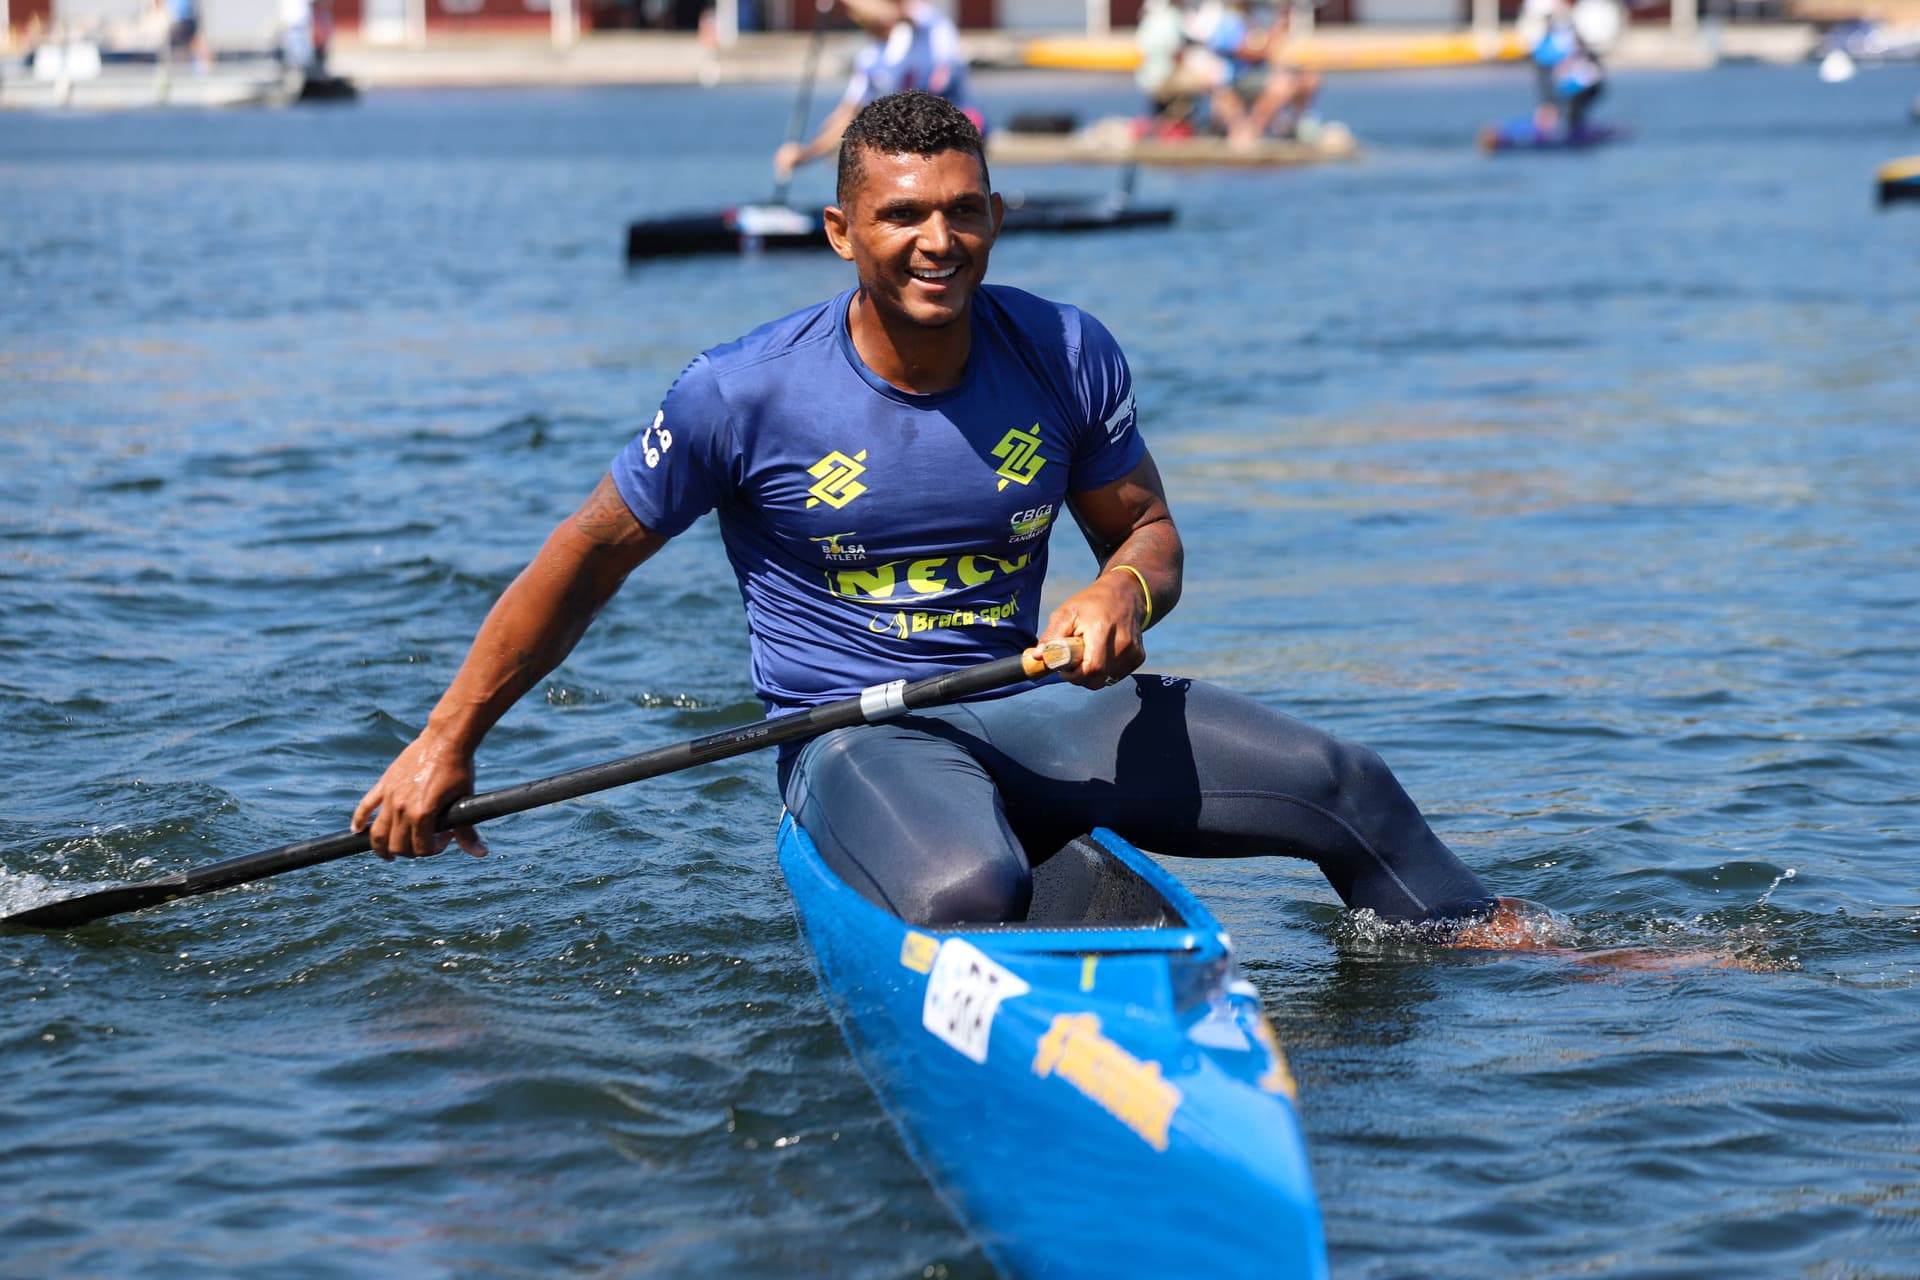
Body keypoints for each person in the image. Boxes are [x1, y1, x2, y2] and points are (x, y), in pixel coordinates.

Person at [355, 90, 1504, 939]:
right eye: (903, 215)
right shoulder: (742, 392)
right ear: (842, 231)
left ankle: (1514, 957)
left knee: (1347, 785)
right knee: (973, 889)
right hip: (851, 734)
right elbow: (586, 558)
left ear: (998, 215)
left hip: (1031, 701)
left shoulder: (1062, 351)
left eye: (963, 211)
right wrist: (449, 740)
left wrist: (1120, 590)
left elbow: (1150, 534)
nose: (938, 241)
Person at [774, 0, 973, 183]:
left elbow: (895, 12)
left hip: (953, 132)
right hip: (911, 147)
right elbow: (846, 116)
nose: (855, 16)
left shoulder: (925, 27)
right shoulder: (869, 61)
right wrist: (807, 153)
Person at [1181, 0, 1321, 148]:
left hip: (1255, 76)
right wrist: (1276, 35)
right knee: (1280, 85)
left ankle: (1299, 124)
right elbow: (1249, 53)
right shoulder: (1228, 22)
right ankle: (1253, 129)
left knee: (1308, 78)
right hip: (1235, 79)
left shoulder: (1256, 21)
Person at [1521, 0, 1605, 135]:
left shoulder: (1570, 27)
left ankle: (1571, 125)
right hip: (1570, 81)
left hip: (1581, 82)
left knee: (1570, 108)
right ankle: (1565, 123)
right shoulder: (1548, 37)